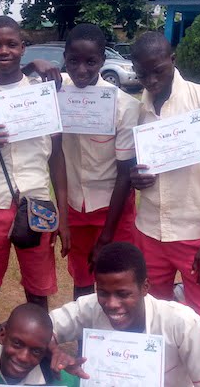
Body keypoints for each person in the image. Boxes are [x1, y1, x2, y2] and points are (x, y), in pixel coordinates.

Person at [118, 31, 200, 363]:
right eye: (142, 74)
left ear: (173, 60)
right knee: (151, 315)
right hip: (149, 229)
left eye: (158, 70)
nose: (151, 80)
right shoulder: (137, 109)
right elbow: (135, 166)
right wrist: (137, 178)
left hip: (196, 231)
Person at [0, 16, 70, 327]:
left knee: (38, 290)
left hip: (36, 201)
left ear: (23, 48)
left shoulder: (43, 94)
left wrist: (63, 217)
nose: (4, 50)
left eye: (12, 44)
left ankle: (36, 349)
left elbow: (56, 158)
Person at [49, 242, 200, 387]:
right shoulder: (89, 307)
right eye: (103, 293)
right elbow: (40, 326)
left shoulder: (182, 323)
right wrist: (54, 350)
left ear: (145, 288)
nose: (111, 304)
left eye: (123, 294)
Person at [58, 23, 140, 300]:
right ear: (65, 60)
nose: (81, 70)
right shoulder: (56, 94)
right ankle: (84, 338)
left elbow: (125, 173)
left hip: (113, 208)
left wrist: (106, 235)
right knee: (81, 278)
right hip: (74, 205)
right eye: (73, 61)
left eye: (91, 62)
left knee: (119, 280)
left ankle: (121, 340)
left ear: (103, 60)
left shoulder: (124, 106)